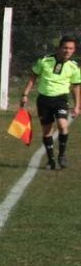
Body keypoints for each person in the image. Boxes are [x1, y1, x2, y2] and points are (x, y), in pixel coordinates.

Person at [19, 35, 80, 170]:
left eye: (71, 49)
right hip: (44, 100)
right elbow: (33, 77)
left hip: (61, 99)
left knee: (63, 125)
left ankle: (62, 156)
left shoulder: (74, 67)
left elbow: (76, 86)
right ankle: (51, 159)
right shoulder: (44, 61)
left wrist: (77, 106)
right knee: (47, 131)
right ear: (59, 48)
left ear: (74, 50)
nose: (67, 51)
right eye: (65, 48)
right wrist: (25, 94)